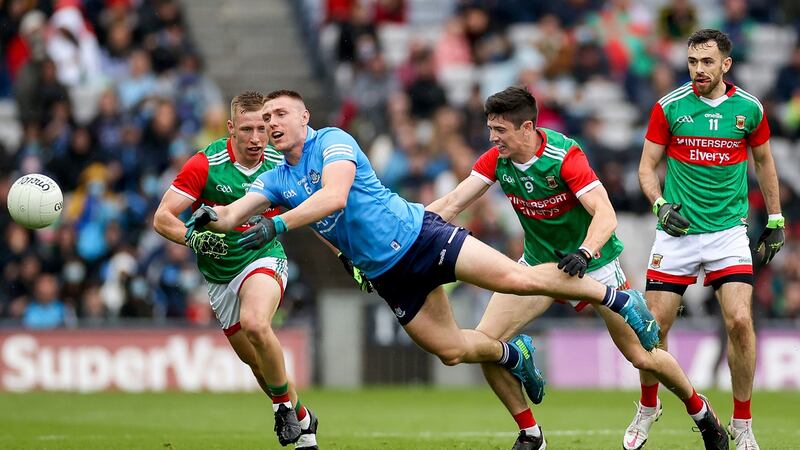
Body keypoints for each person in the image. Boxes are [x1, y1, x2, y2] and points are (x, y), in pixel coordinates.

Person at [184, 89, 661, 413]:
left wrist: (276, 225)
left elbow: (333, 197)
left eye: (280, 114)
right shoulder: (274, 178)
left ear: (304, 117)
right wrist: (207, 219)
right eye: (265, 120)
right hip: (388, 272)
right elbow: (230, 214)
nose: (271, 124)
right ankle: (514, 356)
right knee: (451, 351)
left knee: (517, 278)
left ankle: (617, 298)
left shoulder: (332, 140)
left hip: (420, 236)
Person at [426, 86, 728, 450]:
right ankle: (531, 433)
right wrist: (408, 232)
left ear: (526, 128)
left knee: (642, 356)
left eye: (500, 130)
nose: (493, 138)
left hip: (593, 267)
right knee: (486, 344)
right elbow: (453, 202)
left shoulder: (564, 155)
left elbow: (606, 214)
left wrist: (585, 252)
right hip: (536, 269)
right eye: (491, 129)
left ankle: (700, 412)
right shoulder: (495, 161)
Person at [634, 29, 785, 450]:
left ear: (725, 65)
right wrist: (660, 205)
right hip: (676, 232)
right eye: (692, 62)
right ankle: (648, 407)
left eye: (706, 62)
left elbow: (764, 161)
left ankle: (742, 424)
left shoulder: (748, 109)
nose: (698, 70)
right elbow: (646, 168)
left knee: (739, 321)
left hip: (728, 232)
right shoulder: (669, 107)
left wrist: (775, 218)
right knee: (651, 329)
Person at [153, 91, 318, 449]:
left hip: (263, 255)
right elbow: (163, 218)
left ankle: (283, 410)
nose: (257, 138)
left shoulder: (281, 161)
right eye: (247, 129)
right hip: (219, 274)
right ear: (231, 128)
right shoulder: (204, 164)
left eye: (263, 128)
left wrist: (344, 254)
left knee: (257, 323)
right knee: (258, 365)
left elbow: (317, 209)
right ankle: (302, 416)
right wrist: (193, 240)